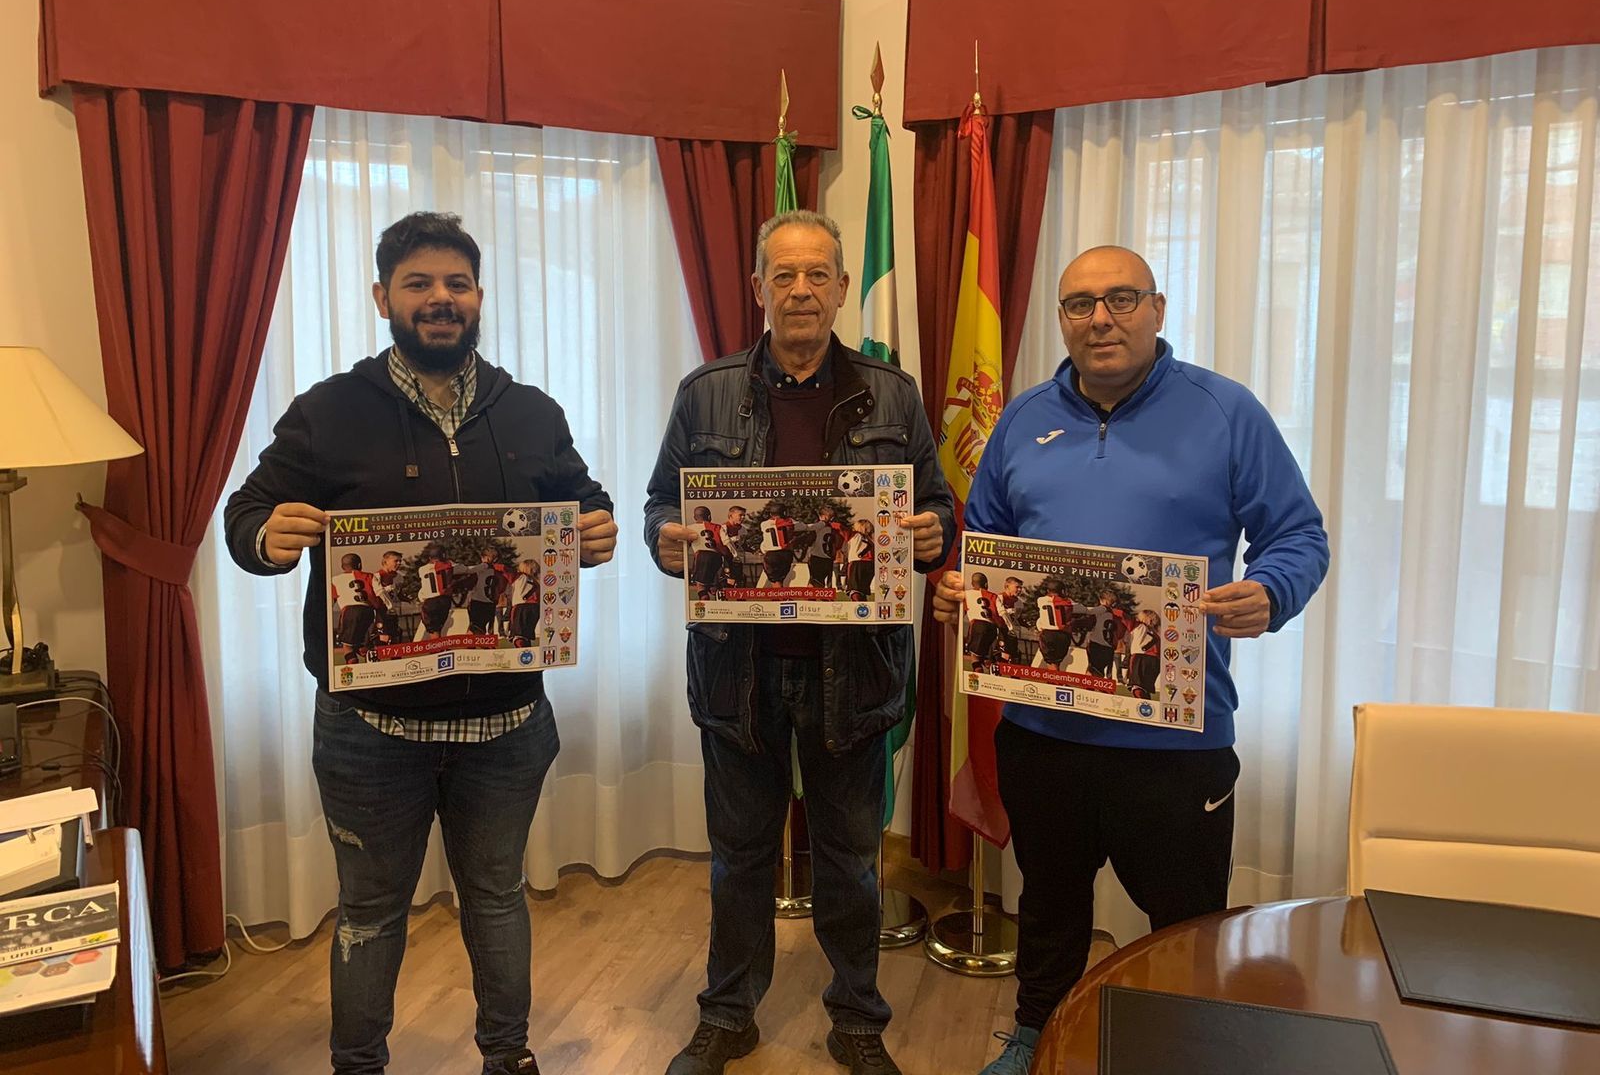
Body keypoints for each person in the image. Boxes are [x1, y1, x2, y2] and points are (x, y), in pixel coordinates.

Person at [223, 211, 619, 1075]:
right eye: (418, 285)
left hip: (507, 728)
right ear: (382, 299)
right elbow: (245, 516)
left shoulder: (532, 410)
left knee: (499, 898)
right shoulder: (326, 412)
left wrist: (599, 526)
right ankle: (358, 1064)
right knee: (369, 911)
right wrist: (266, 536)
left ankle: (507, 1057)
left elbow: (585, 497)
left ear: (478, 299)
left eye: (456, 285)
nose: (440, 300)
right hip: (371, 732)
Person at [932, 245, 1329, 1075]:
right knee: (1048, 908)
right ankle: (1036, 1038)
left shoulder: (1226, 411)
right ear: (1063, 320)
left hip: (1176, 741)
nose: (1100, 318)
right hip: (1043, 731)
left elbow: (1298, 536)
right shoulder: (1023, 417)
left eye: (1120, 299)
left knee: (1184, 924)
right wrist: (961, 589)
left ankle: (1175, 1051)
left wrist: (1271, 593)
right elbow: (985, 544)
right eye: (1080, 304)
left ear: (1157, 307)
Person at [644, 209, 955, 1075]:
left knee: (851, 862)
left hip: (852, 675)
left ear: (844, 288)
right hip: (737, 674)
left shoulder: (892, 393)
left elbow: (938, 501)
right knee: (739, 858)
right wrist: (665, 538)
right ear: (758, 290)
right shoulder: (704, 392)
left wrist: (932, 529)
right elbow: (658, 505)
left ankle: (857, 1020)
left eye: (818, 274)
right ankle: (728, 1012)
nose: (801, 291)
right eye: (783, 275)